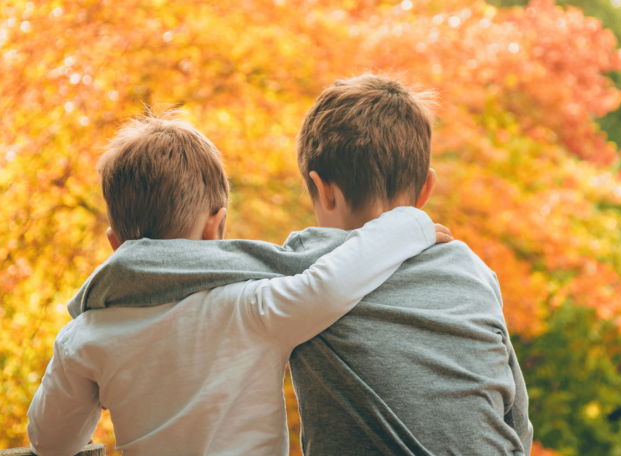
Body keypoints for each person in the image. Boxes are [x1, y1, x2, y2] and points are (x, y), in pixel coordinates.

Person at [71, 74, 533, 455]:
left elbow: (190, 260)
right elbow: (517, 416)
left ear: (323, 189)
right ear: (426, 189)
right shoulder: (472, 269)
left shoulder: (307, 263)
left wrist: (104, 289)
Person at [26, 113, 451, 456]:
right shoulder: (249, 308)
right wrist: (410, 225)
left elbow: (50, 443)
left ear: (115, 244)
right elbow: (332, 284)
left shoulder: (84, 336)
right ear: (215, 228)